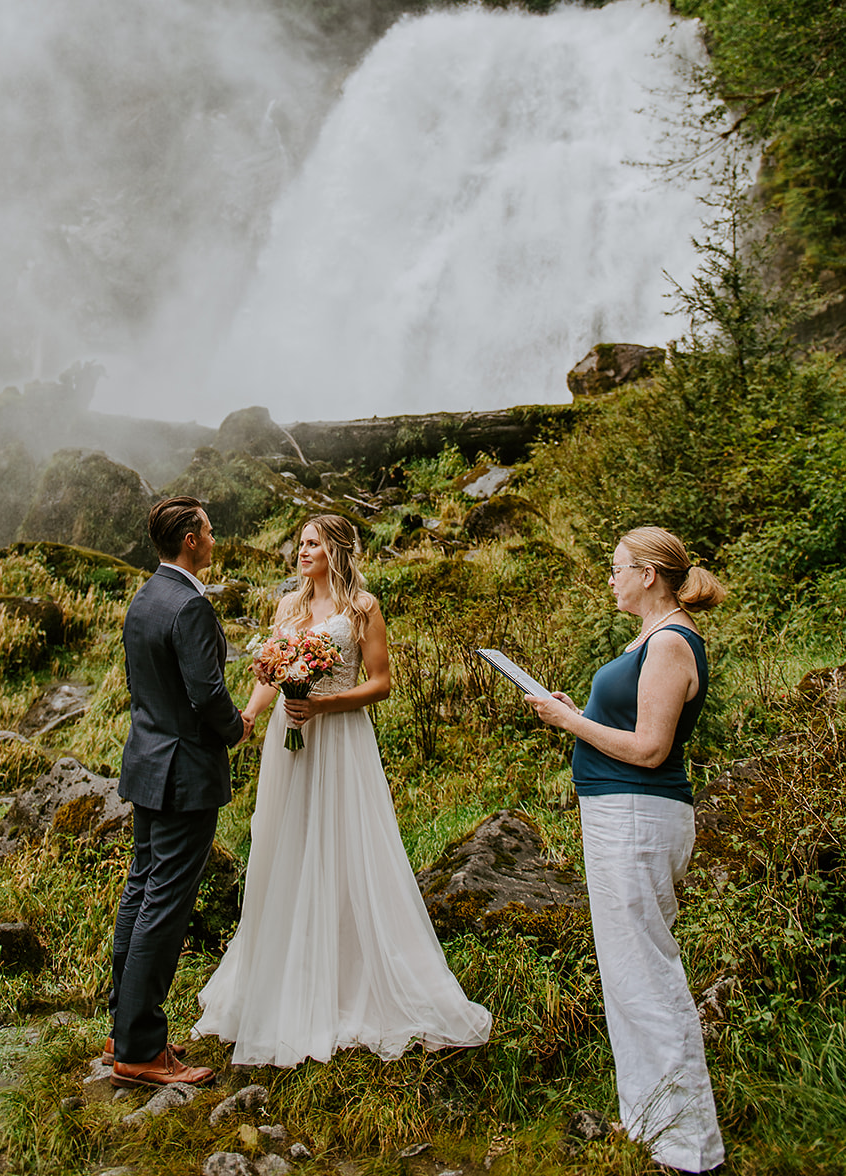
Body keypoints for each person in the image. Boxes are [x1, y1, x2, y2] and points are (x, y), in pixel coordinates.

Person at [195, 513, 491, 1066]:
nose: (300, 551)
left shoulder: (363, 608)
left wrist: (323, 704)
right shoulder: (288, 607)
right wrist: (250, 719)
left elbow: (379, 683)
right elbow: (268, 673)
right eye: (299, 542)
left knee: (344, 848)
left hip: (339, 739)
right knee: (284, 845)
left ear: (335, 550)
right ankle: (282, 978)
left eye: (311, 543)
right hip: (290, 736)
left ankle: (351, 979)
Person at [527, 525, 725, 1175]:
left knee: (647, 975)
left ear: (647, 574)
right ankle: (648, 1118)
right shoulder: (650, 638)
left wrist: (568, 722)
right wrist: (574, 711)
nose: (607, 577)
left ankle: (689, 1143)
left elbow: (648, 749)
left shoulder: (670, 641)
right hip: (621, 816)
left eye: (615, 568)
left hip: (640, 817)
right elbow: (623, 726)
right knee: (629, 975)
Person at [106, 496, 249, 1089]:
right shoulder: (189, 604)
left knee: (141, 891)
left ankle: (124, 1029)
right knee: (164, 903)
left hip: (147, 763)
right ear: (190, 539)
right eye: (210, 532)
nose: (215, 540)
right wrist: (237, 727)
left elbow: (146, 685)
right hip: (185, 773)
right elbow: (206, 695)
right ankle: (140, 1050)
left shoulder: (145, 597)